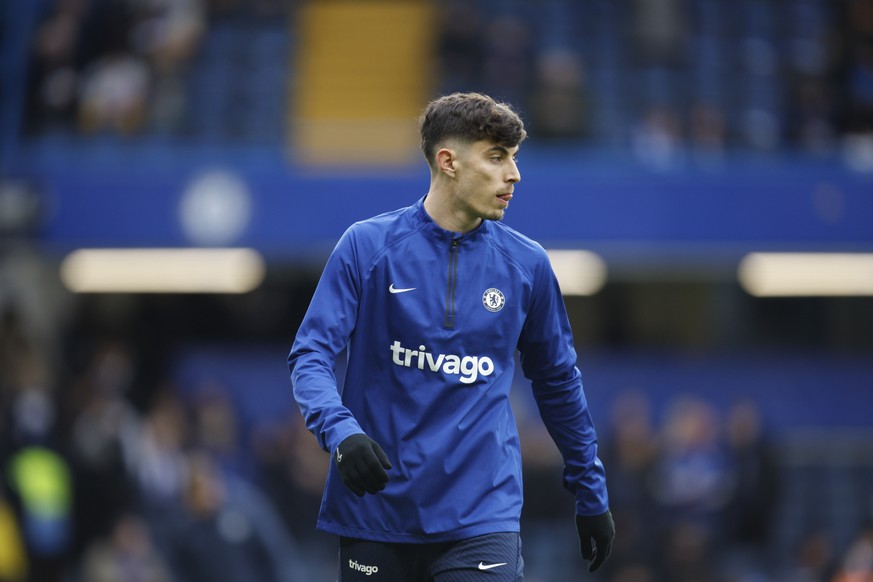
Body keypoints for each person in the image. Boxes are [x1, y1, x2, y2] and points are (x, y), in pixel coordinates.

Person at [288, 91, 614, 581]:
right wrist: (341, 432)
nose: (514, 175)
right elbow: (311, 354)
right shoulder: (367, 247)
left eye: (514, 159)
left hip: (482, 518)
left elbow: (558, 382)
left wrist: (591, 489)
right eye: (497, 157)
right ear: (449, 162)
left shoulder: (527, 267)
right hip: (377, 514)